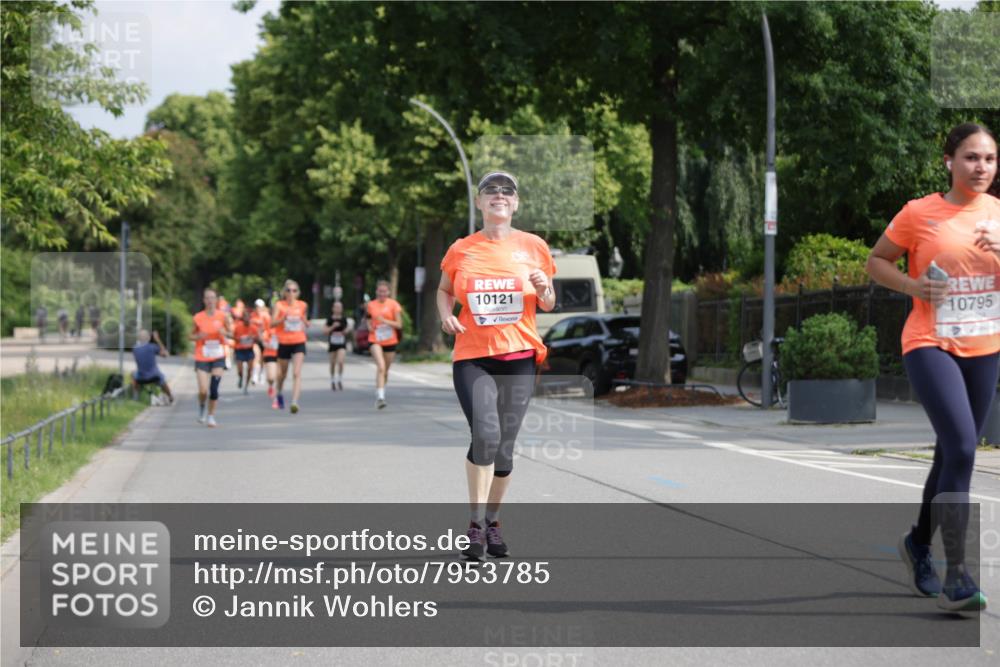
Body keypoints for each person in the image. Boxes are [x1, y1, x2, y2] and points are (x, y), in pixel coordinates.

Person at [866, 122, 999, 613]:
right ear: (949, 161)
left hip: (985, 345)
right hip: (929, 342)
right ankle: (958, 575)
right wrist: (914, 288)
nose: (980, 167)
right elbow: (876, 261)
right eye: (970, 157)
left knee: (951, 453)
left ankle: (918, 542)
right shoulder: (920, 213)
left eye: (988, 158)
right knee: (964, 446)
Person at [437, 171, 556, 560]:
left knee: (504, 449)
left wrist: (543, 289)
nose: (499, 195)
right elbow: (442, 290)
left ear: (516, 203)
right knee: (485, 434)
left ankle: (493, 521)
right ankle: (474, 524)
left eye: (507, 191)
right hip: (472, 356)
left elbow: (549, 302)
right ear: (479, 202)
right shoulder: (461, 249)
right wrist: (446, 315)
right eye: (491, 190)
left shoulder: (534, 246)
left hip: (519, 356)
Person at [190, 288, 232, 427]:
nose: (210, 301)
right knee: (203, 390)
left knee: (214, 387)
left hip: (218, 356)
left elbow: (231, 333)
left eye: (212, 298)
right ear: (204, 301)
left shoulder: (222, 316)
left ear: (216, 300)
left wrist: (224, 332)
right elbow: (190, 336)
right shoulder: (198, 317)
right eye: (207, 298)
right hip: (202, 356)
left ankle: (211, 416)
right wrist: (198, 336)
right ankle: (202, 406)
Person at [272, 279, 309, 413]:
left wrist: (306, 323)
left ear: (298, 293)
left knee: (296, 372)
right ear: (284, 292)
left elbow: (304, 321)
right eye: (288, 290)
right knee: (283, 374)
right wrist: (283, 318)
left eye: (294, 290)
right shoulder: (279, 305)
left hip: (299, 340)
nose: (291, 293)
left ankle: (294, 402)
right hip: (284, 342)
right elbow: (272, 323)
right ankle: (279, 392)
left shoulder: (303, 305)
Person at [366, 280, 404, 409]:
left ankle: (381, 389)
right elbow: (367, 318)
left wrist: (385, 321)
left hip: (390, 341)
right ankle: (380, 398)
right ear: (376, 291)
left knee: (385, 371)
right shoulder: (371, 305)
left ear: (388, 292)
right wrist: (369, 326)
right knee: (381, 367)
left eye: (384, 291)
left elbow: (399, 325)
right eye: (379, 291)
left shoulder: (394, 305)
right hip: (375, 339)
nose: (382, 293)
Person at [131, 329, 173, 404]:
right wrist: (158, 339)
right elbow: (166, 354)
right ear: (149, 338)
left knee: (133, 374)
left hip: (141, 377)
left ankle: (136, 397)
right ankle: (170, 396)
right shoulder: (152, 347)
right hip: (154, 376)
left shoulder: (135, 348)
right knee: (162, 378)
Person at [324, 301, 353, 390]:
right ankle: (333, 380)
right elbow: (325, 331)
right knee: (332, 363)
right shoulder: (329, 319)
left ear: (341, 309)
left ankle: (339, 378)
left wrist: (346, 331)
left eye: (339, 307)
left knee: (340, 361)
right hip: (332, 344)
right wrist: (332, 326)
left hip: (341, 343)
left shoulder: (344, 319)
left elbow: (348, 328)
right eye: (336, 307)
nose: (337, 309)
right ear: (333, 308)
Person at [232, 307, 260, 395]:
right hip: (240, 350)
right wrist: (240, 338)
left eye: (248, 317)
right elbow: (234, 337)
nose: (247, 319)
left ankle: (246, 386)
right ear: (243, 318)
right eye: (245, 317)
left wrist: (253, 338)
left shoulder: (254, 327)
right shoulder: (238, 327)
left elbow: (258, 339)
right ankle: (240, 377)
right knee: (240, 370)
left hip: (249, 350)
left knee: (250, 369)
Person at [250, 298, 271, 385]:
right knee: (256, 356)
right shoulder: (252, 315)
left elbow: (269, 328)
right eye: (257, 307)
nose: (258, 308)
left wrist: (265, 336)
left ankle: (261, 374)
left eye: (260, 307)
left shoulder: (266, 316)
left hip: (264, 339)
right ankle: (255, 375)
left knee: (263, 359)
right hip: (255, 339)